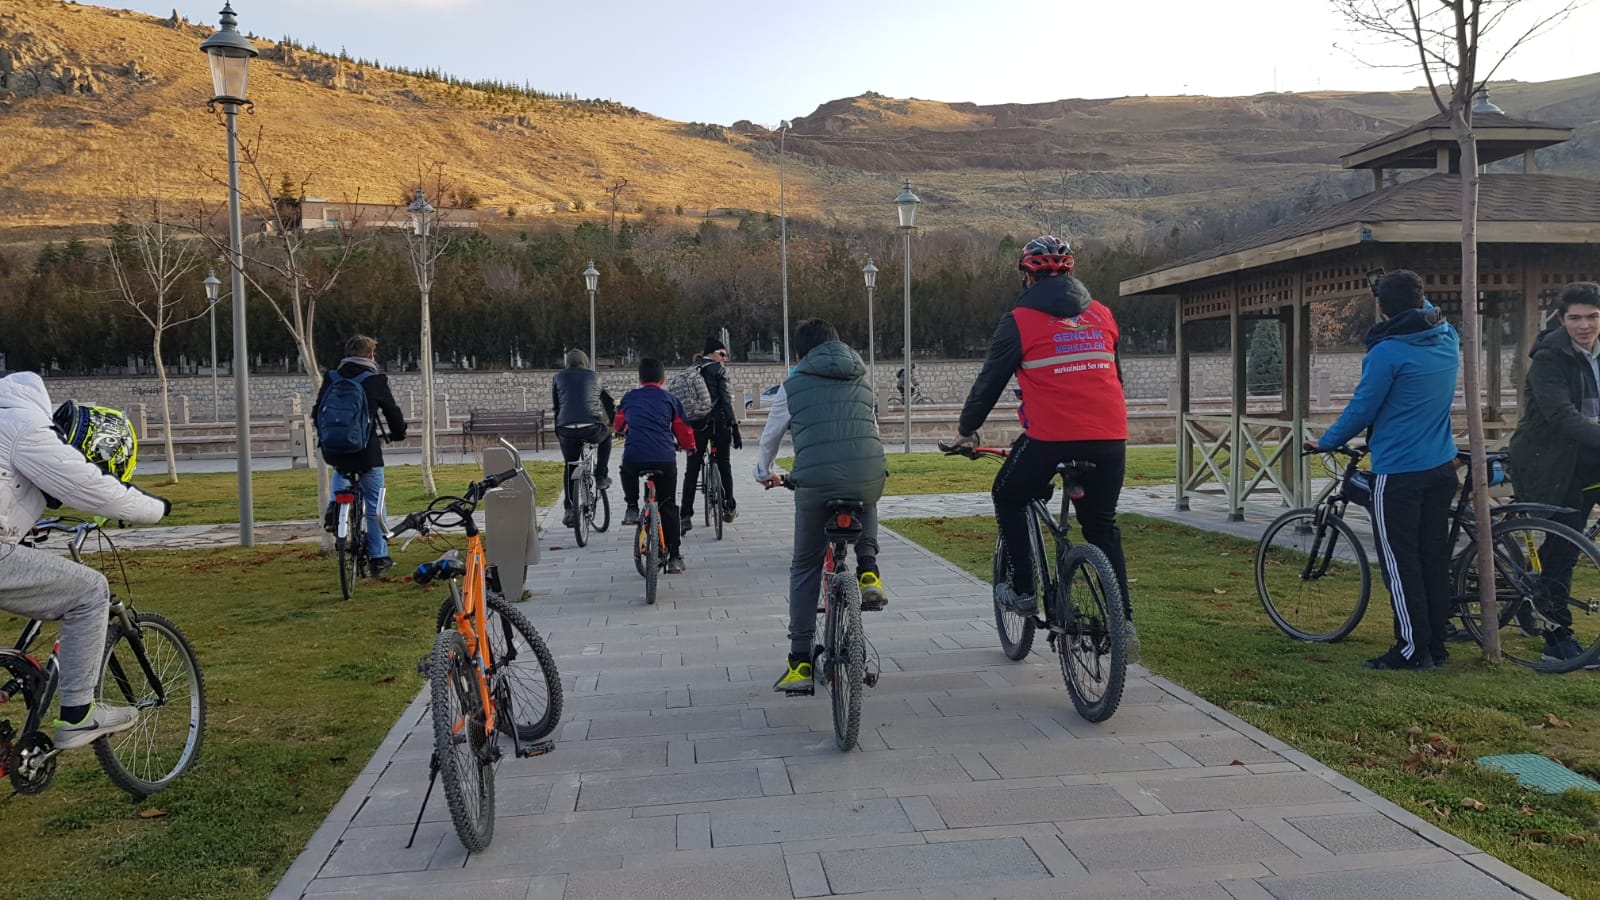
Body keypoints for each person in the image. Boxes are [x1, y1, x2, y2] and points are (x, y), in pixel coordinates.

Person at [945, 236, 1139, 658]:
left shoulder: (1019, 320)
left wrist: (967, 429)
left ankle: (1023, 590)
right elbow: (1116, 378)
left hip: (1051, 438)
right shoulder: (1102, 314)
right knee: (1101, 526)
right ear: (1070, 273)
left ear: (1028, 277)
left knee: (1007, 494)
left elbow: (990, 382)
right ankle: (1123, 623)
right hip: (1110, 437)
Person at [0, 374, 168, 750]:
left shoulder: (6, 415)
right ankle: (78, 714)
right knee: (90, 591)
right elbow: (91, 488)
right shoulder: (28, 426)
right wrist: (158, 508)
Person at [1311, 269, 1459, 670]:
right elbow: (1425, 310)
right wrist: (1406, 294)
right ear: (1421, 301)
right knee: (1432, 558)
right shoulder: (1447, 337)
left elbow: (1363, 408)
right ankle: (1436, 645)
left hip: (1398, 472)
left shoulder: (1387, 353)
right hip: (1441, 466)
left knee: (1400, 561)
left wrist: (1326, 441)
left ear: (1381, 309)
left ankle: (1411, 649)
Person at [755, 318, 888, 693]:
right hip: (867, 473)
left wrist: (763, 473)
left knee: (805, 566)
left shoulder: (792, 385)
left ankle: (799, 661)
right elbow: (871, 432)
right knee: (866, 492)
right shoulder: (861, 379)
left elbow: (770, 438)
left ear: (800, 356)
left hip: (815, 484)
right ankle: (869, 571)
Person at [1508, 281, 1600, 665]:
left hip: (1591, 456)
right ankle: (1556, 640)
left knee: (1565, 547)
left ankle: (1537, 600)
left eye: (1592, 317)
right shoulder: (1549, 359)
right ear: (1561, 320)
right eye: (1575, 318)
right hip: (1554, 462)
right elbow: (1561, 415)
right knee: (1564, 549)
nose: (1585, 325)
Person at [313, 334, 408, 578]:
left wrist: (327, 437)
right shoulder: (375, 380)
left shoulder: (332, 377)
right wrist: (399, 434)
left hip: (335, 451)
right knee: (375, 503)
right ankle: (378, 558)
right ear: (371, 355)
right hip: (366, 452)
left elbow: (316, 412)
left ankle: (335, 508)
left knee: (340, 470)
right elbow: (392, 413)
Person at [612, 357, 695, 574]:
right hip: (664, 458)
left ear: (640, 379)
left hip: (635, 456)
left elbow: (618, 424)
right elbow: (683, 429)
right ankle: (674, 556)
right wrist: (689, 447)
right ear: (663, 379)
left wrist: (625, 429)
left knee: (626, 469)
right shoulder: (670, 399)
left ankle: (632, 507)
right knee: (668, 505)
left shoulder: (629, 398)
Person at [680, 339, 742, 532]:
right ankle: (729, 506)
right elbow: (725, 400)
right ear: (712, 354)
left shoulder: (691, 370)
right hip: (718, 424)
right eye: (722, 354)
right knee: (724, 464)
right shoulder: (718, 370)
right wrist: (734, 426)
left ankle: (685, 515)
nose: (724, 359)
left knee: (692, 470)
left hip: (696, 426)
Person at [552, 349, 615, 529]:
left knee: (570, 465)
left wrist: (559, 431)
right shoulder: (595, 377)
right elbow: (609, 403)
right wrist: (612, 423)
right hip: (591, 427)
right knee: (606, 437)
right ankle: (601, 475)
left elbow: (557, 407)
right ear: (585, 362)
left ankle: (569, 510)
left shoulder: (557, 378)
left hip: (566, 428)